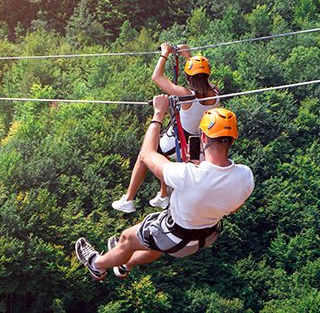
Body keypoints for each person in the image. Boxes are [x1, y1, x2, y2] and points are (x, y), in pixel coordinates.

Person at [76, 95, 254, 280]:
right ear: (232, 140)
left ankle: (96, 265)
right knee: (155, 244)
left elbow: (147, 154)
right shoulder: (245, 176)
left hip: (175, 235)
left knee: (127, 239)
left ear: (202, 136)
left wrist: (158, 114)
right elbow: (234, 208)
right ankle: (125, 265)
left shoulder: (188, 175)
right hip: (205, 237)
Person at [112, 43, 222, 213]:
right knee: (163, 156)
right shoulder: (216, 93)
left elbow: (156, 77)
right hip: (196, 141)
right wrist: (188, 57)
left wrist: (164, 54)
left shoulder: (186, 96)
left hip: (180, 138)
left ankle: (128, 199)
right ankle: (164, 195)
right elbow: (202, 78)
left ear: (188, 77)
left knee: (145, 153)